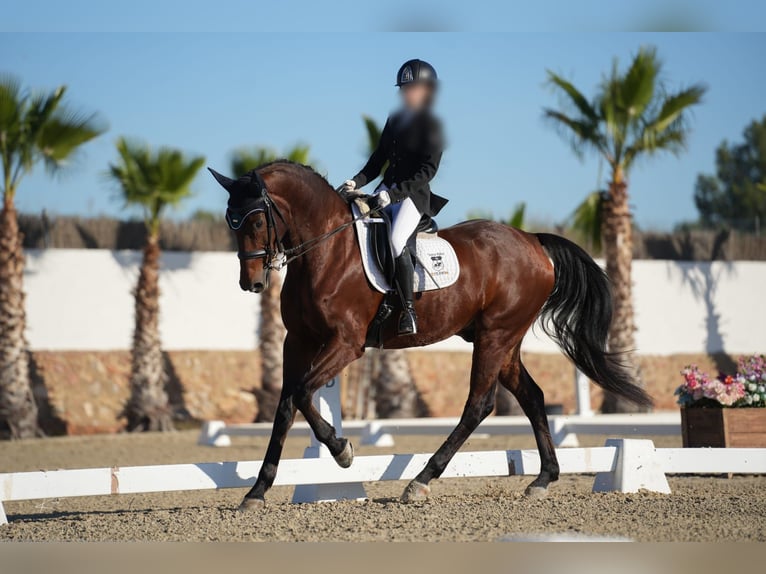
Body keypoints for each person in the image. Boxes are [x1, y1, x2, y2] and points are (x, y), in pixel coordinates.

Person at [339, 58, 448, 336]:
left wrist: (393, 195)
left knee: (397, 240)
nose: (405, 92)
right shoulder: (395, 120)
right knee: (357, 225)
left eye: (411, 88)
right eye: (403, 88)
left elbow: (428, 170)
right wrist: (356, 181)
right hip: (386, 191)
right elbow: (377, 162)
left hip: (413, 196)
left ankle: (407, 310)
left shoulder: (432, 125)